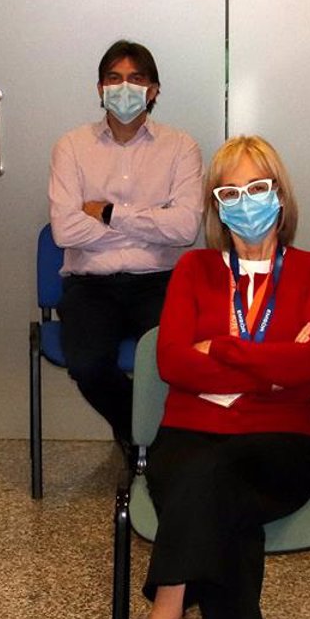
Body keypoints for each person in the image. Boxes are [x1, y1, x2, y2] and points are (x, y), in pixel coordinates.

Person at [99, 135, 310, 619]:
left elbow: (308, 365)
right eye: (229, 192)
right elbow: (172, 360)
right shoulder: (195, 272)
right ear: (215, 205)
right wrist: (269, 363)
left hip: (281, 449)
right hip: (190, 439)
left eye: (256, 188)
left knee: (211, 483)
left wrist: (225, 346)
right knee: (218, 501)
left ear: (280, 195)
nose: (244, 203)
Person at [48, 40, 203, 458]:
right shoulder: (71, 147)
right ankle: (140, 430)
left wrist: (109, 214)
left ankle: (157, 438)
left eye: (136, 79)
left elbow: (186, 227)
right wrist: (152, 222)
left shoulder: (181, 147)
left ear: (153, 89)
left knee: (179, 362)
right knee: (86, 364)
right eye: (114, 79)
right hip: (90, 285)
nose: (124, 88)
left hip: (160, 282)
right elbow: (64, 230)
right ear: (99, 88)